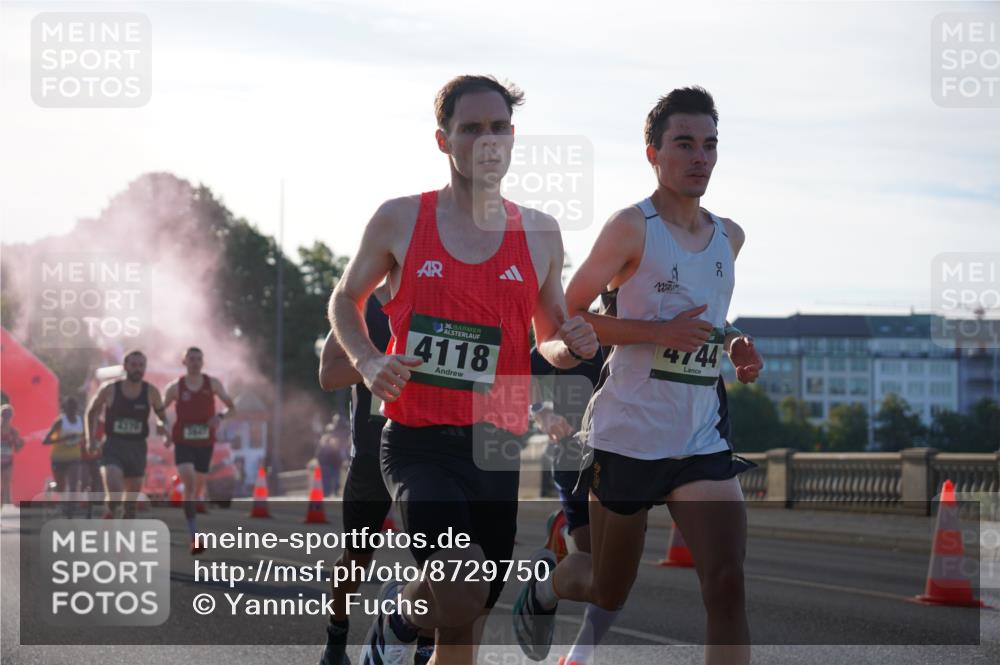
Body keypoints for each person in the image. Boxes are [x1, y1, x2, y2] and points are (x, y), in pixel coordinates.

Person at [329, 75, 598, 665]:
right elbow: (345, 299)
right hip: (418, 443)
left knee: (465, 619)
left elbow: (550, 341)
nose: (488, 141)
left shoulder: (540, 233)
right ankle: (399, 623)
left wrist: (574, 344)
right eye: (471, 128)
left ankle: (405, 617)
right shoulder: (401, 219)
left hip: (495, 448)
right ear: (443, 140)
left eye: (499, 128)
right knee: (458, 584)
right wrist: (369, 361)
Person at [513, 87, 764, 665]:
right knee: (608, 589)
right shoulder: (631, 227)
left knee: (726, 583)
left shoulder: (730, 235)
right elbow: (568, 314)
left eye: (709, 145)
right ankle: (549, 585)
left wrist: (735, 344)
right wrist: (657, 333)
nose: (700, 157)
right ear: (653, 152)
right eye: (684, 144)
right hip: (627, 436)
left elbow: (707, 321)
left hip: (700, 437)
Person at [318, 281, 435, 665]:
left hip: (426, 450)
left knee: (440, 559)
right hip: (372, 453)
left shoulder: (440, 297)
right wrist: (375, 363)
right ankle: (336, 638)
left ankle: (424, 645)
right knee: (356, 558)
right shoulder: (361, 304)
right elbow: (328, 374)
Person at [529, 343, 605, 562]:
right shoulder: (572, 333)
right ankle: (565, 534)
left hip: (625, 454)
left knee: (619, 557)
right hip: (572, 450)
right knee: (589, 558)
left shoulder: (642, 330)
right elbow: (523, 370)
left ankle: (563, 530)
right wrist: (541, 413)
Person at [162, 347, 237, 553]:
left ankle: (194, 518)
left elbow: (232, 408)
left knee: (197, 489)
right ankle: (194, 536)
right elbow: (160, 412)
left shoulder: (212, 384)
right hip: (183, 442)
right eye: (191, 359)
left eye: (198, 359)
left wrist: (219, 417)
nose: (195, 362)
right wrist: (164, 430)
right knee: (189, 482)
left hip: (205, 443)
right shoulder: (175, 387)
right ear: (184, 362)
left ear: (203, 362)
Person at [85, 350, 170, 519]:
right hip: (113, 445)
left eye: (141, 365)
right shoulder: (110, 389)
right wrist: (91, 439)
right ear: (125, 366)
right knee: (115, 494)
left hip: (137, 448)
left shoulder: (151, 392)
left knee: (130, 506)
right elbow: (92, 411)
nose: (137, 369)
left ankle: (123, 529)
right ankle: (110, 515)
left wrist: (163, 428)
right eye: (134, 365)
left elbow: (162, 417)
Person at [42, 397, 85, 514]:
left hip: (74, 457)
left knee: (73, 484)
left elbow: (83, 436)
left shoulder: (81, 421)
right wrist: (64, 439)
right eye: (69, 409)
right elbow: (45, 441)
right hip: (58, 458)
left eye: (73, 408)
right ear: (65, 409)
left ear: (76, 409)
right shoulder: (60, 422)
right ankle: (50, 488)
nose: (71, 411)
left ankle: (70, 509)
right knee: (60, 487)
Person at [316, 419, 347, 497]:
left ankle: (334, 492)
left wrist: (341, 460)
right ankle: (327, 493)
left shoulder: (336, 439)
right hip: (326, 464)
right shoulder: (325, 439)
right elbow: (320, 452)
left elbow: (339, 451)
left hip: (334, 464)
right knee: (327, 479)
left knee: (335, 479)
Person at [1, 404, 25, 506]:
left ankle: (3, 505)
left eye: (9, 415)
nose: (7, 417)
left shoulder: (14, 431)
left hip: (8, 461)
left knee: (6, 483)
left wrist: (21, 444)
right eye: (5, 414)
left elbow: (17, 449)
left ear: (11, 416)